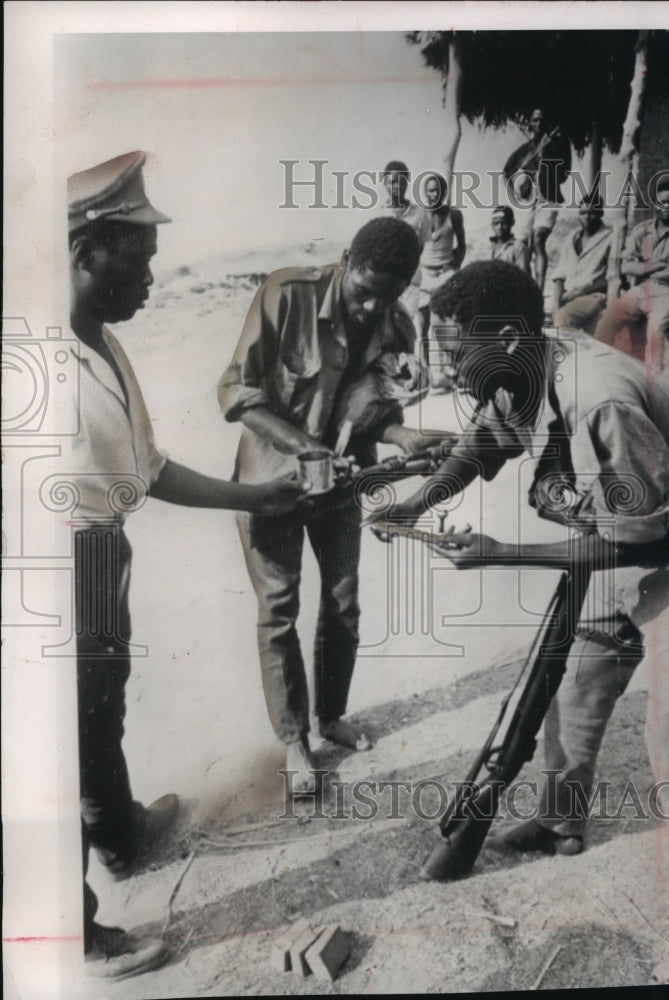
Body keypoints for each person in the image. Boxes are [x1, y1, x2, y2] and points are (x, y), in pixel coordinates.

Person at [377, 260, 669, 985]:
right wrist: (418, 501)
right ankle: (560, 818)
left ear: (511, 337)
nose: (451, 371)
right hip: (637, 521)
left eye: (458, 353)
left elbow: (640, 537)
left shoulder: (595, 398)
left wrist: (502, 554)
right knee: (579, 680)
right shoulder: (525, 360)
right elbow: (485, 438)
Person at [68, 151, 309, 979]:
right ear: (84, 252)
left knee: (99, 708)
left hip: (99, 553)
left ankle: (119, 836)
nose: (151, 273)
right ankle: (78, 934)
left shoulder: (98, 342)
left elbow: (145, 468)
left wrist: (255, 499)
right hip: (46, 571)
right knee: (46, 737)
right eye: (137, 256)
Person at [218, 216, 442, 798]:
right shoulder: (286, 295)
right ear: (346, 258)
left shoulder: (397, 323)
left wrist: (403, 437)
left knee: (343, 603)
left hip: (341, 485)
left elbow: (372, 408)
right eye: (365, 290)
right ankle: (295, 740)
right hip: (271, 482)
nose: (371, 308)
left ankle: (332, 716)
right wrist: (304, 448)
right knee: (280, 610)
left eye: (388, 296)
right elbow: (237, 394)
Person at [594, 177, 669, 375]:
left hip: (668, 291)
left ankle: (655, 387)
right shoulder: (641, 230)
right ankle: (605, 373)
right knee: (607, 321)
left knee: (655, 330)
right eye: (661, 202)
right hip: (640, 289)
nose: (666, 207)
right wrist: (661, 265)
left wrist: (643, 267)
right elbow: (626, 266)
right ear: (655, 205)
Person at [503, 108, 572, 293]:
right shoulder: (524, 150)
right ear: (530, 124)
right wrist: (515, 195)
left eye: (542, 120)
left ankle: (539, 292)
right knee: (521, 245)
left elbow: (564, 174)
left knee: (538, 240)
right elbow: (507, 172)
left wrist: (549, 151)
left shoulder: (559, 145)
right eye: (535, 120)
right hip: (527, 201)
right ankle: (526, 288)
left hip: (548, 199)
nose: (539, 123)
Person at [416, 172, 466, 390]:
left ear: (443, 193)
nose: (431, 194)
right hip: (425, 275)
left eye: (436, 190)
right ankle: (428, 374)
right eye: (428, 190)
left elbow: (462, 245)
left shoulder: (454, 215)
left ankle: (453, 371)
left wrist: (454, 267)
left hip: (446, 274)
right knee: (422, 326)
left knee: (446, 324)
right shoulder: (419, 217)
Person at [550, 193, 614, 335]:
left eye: (592, 213)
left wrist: (582, 292)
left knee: (563, 317)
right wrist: (555, 302)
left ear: (600, 213)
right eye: (583, 213)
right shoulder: (572, 237)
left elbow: (612, 278)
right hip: (568, 294)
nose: (586, 217)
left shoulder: (610, 237)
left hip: (593, 296)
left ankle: (573, 356)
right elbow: (560, 274)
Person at [487, 205, 530, 273]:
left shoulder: (518, 247)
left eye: (503, 223)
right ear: (492, 225)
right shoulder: (489, 246)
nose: (499, 227)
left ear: (512, 223)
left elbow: (523, 276)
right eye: (496, 223)